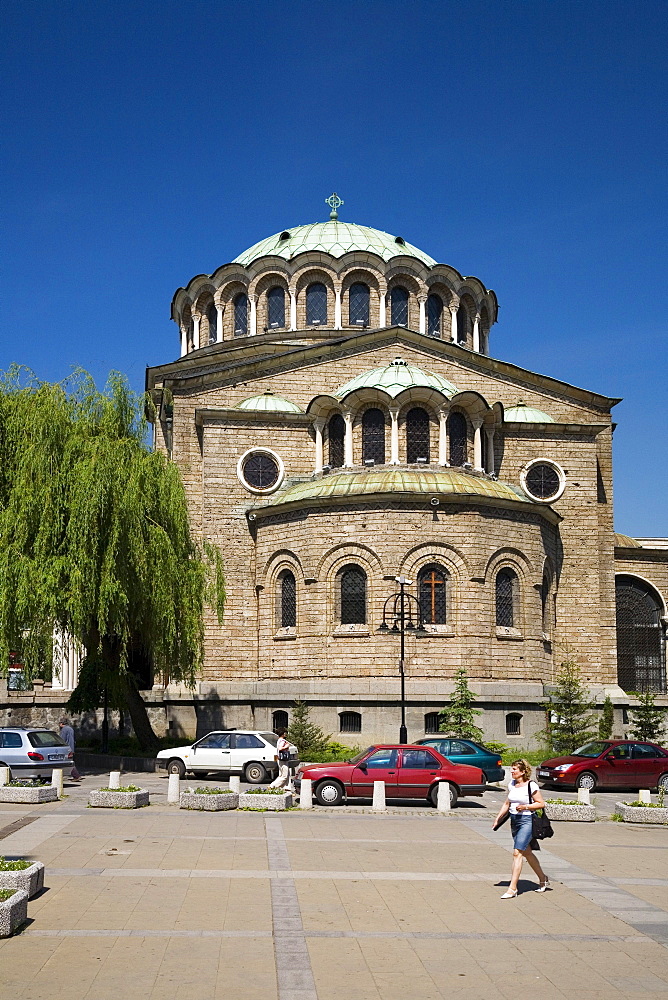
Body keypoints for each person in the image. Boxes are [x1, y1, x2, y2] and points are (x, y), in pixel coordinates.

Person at [493, 758, 550, 898]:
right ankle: (543, 879)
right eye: (511, 768)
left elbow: (541, 803)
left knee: (517, 853)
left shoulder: (531, 786)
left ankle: (512, 889)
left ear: (523, 772)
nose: (511, 771)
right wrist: (498, 818)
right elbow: (507, 803)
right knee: (527, 852)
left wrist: (525, 807)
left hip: (527, 821)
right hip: (514, 821)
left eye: (514, 769)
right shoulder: (512, 785)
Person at [58, 716, 82, 781]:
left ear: (61, 723)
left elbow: (62, 740)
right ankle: (75, 775)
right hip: (71, 747)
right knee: (70, 762)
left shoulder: (64, 730)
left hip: (66, 748)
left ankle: (76, 775)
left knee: (68, 763)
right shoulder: (70, 729)